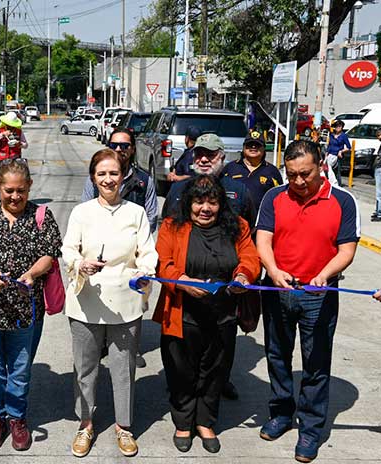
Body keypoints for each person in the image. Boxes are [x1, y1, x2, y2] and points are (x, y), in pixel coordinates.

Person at [256, 140, 359, 463]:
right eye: (292, 174)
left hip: (319, 295)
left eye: (305, 174)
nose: (299, 182)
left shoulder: (342, 201)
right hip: (278, 291)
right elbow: (264, 237)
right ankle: (281, 413)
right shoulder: (274, 196)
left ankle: (311, 428)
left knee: (315, 363)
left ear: (320, 167)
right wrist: (272, 270)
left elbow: (347, 249)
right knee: (277, 355)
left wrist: (324, 274)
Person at [0, 159, 62, 452]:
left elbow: (49, 255)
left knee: (19, 369)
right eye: (9, 190)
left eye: (21, 190)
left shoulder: (42, 216)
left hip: (26, 310)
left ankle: (16, 417)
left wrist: (31, 274)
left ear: (29, 188)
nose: (15, 197)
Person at [153, 174, 260, 454]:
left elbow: (250, 257)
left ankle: (206, 421)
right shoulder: (171, 227)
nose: (205, 208)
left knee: (215, 371)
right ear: (189, 203)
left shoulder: (238, 226)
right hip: (182, 313)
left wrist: (242, 275)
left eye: (212, 202)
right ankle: (183, 422)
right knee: (181, 371)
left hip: (223, 314)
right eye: (199, 201)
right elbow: (163, 264)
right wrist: (184, 282)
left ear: (221, 204)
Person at [62, 148, 158, 458]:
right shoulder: (82, 212)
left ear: (123, 176)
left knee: (123, 369)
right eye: (102, 174)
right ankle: (86, 423)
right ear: (93, 177)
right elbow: (68, 250)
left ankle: (123, 426)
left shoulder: (136, 213)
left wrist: (146, 272)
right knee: (85, 368)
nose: (108, 179)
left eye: (113, 173)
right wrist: (81, 264)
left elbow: (148, 252)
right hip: (87, 300)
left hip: (126, 302)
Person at [163, 133, 256, 401]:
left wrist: (242, 273)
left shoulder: (238, 190)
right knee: (183, 356)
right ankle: (183, 391)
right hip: (185, 293)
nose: (204, 159)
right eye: (199, 154)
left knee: (221, 349)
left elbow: (246, 233)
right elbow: (169, 233)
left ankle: (220, 381)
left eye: (211, 154)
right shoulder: (179, 190)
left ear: (222, 158)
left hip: (225, 295)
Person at [81, 128, 159, 234]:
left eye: (124, 146)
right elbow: (85, 215)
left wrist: (136, 241)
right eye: (114, 145)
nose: (118, 149)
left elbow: (151, 217)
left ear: (133, 149)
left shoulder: (144, 181)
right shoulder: (94, 181)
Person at [222, 130, 283, 211]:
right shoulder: (230, 168)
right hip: (233, 219)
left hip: (261, 220)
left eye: (257, 145)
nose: (253, 147)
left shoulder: (272, 171)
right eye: (250, 145)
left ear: (264, 148)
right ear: (243, 148)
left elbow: (280, 197)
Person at [326, 119, 351, 185]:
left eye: (340, 126)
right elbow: (329, 145)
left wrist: (341, 151)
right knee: (327, 169)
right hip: (330, 154)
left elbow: (349, 147)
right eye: (337, 126)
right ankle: (329, 183)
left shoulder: (344, 136)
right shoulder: (331, 134)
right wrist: (326, 153)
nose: (338, 128)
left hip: (338, 156)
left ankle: (337, 185)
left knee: (337, 172)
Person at [371, 128, 381, 222]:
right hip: (378, 169)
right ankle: (378, 210)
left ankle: (380, 213)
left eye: (379, 135)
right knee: (378, 192)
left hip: (380, 169)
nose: (378, 137)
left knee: (379, 192)